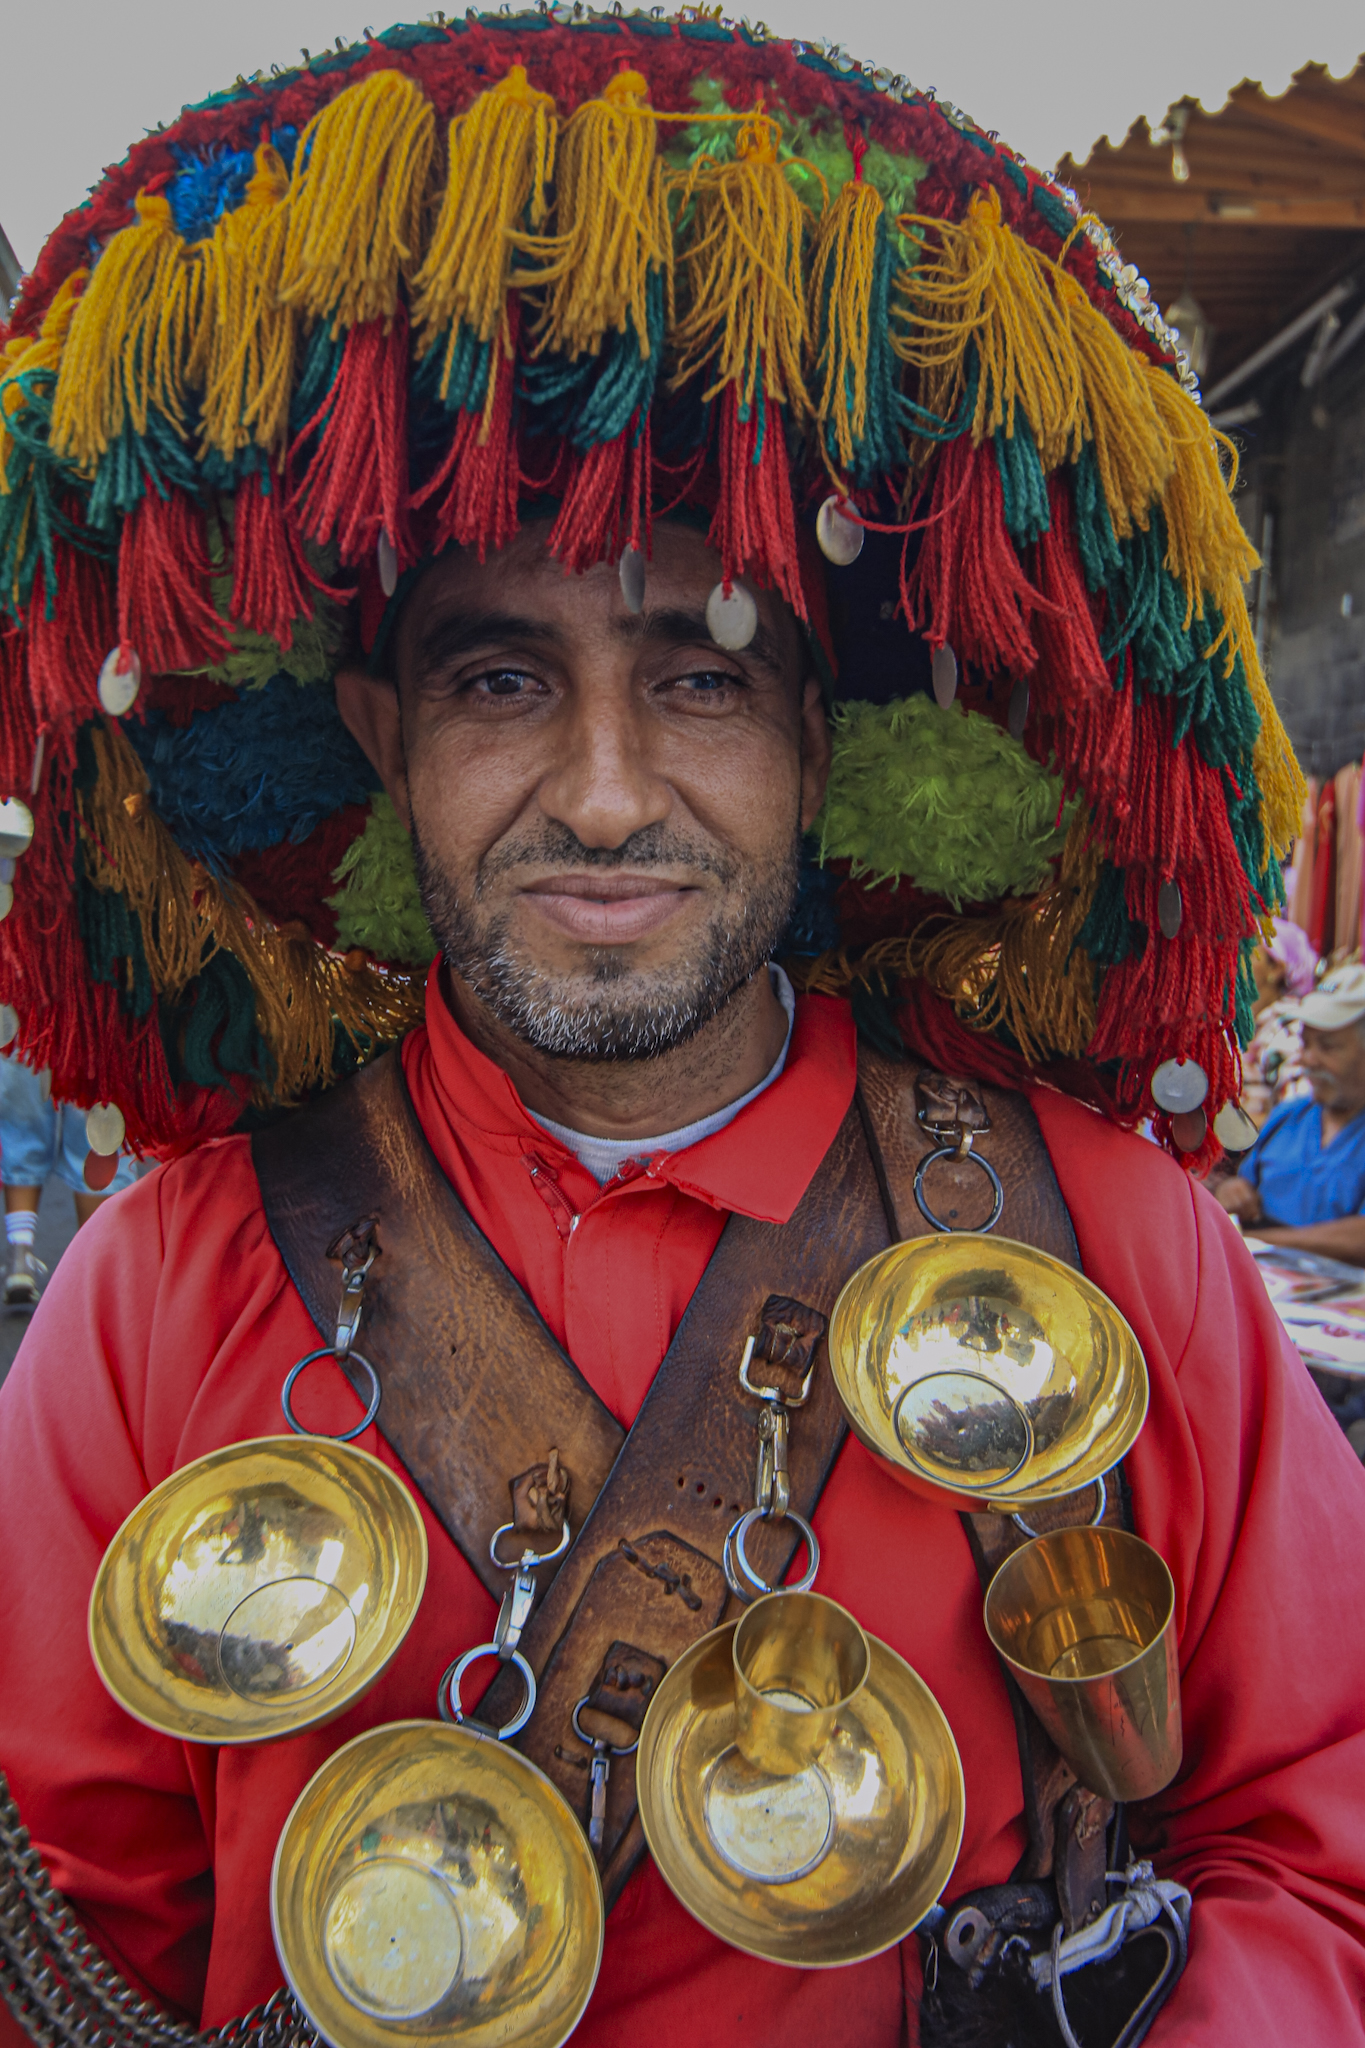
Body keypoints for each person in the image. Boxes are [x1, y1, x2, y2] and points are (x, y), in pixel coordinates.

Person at [0, 19, 1363, 2048]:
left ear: (817, 742)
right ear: (381, 738)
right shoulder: (152, 1293)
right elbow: (60, 1952)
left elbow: (1313, 1854)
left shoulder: (1115, 1246)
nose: (608, 793)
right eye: (498, 680)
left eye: (702, 679)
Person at [1217, 964, 1365, 1265]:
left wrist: (1258, 1242)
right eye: (1306, 1044)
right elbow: (1244, 1185)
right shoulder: (1289, 1116)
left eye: (1328, 1047)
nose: (1307, 1059)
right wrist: (1232, 1191)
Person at [0, 1050, 137, 1305]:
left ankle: (20, 1256)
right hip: (98, 1027)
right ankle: (93, 1271)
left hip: (24, 1024)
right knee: (97, 1132)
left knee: (24, 1118)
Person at [1238, 916, 1317, 1126]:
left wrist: (1228, 1131)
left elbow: (1301, 1119)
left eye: (1245, 951)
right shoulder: (1251, 1027)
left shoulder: (1286, 1028)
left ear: (1276, 969)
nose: (1232, 959)